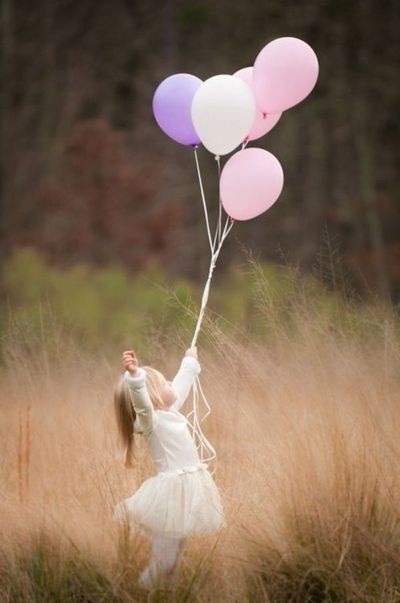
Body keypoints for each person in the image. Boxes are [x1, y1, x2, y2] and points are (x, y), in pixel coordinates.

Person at [113, 346, 227, 589]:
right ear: (153, 395)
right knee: (164, 561)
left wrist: (189, 362)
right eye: (165, 384)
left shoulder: (169, 411)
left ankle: (166, 593)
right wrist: (135, 378)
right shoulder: (150, 420)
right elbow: (142, 405)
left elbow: (181, 386)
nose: (170, 387)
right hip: (171, 496)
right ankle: (143, 590)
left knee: (173, 559)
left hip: (187, 490)